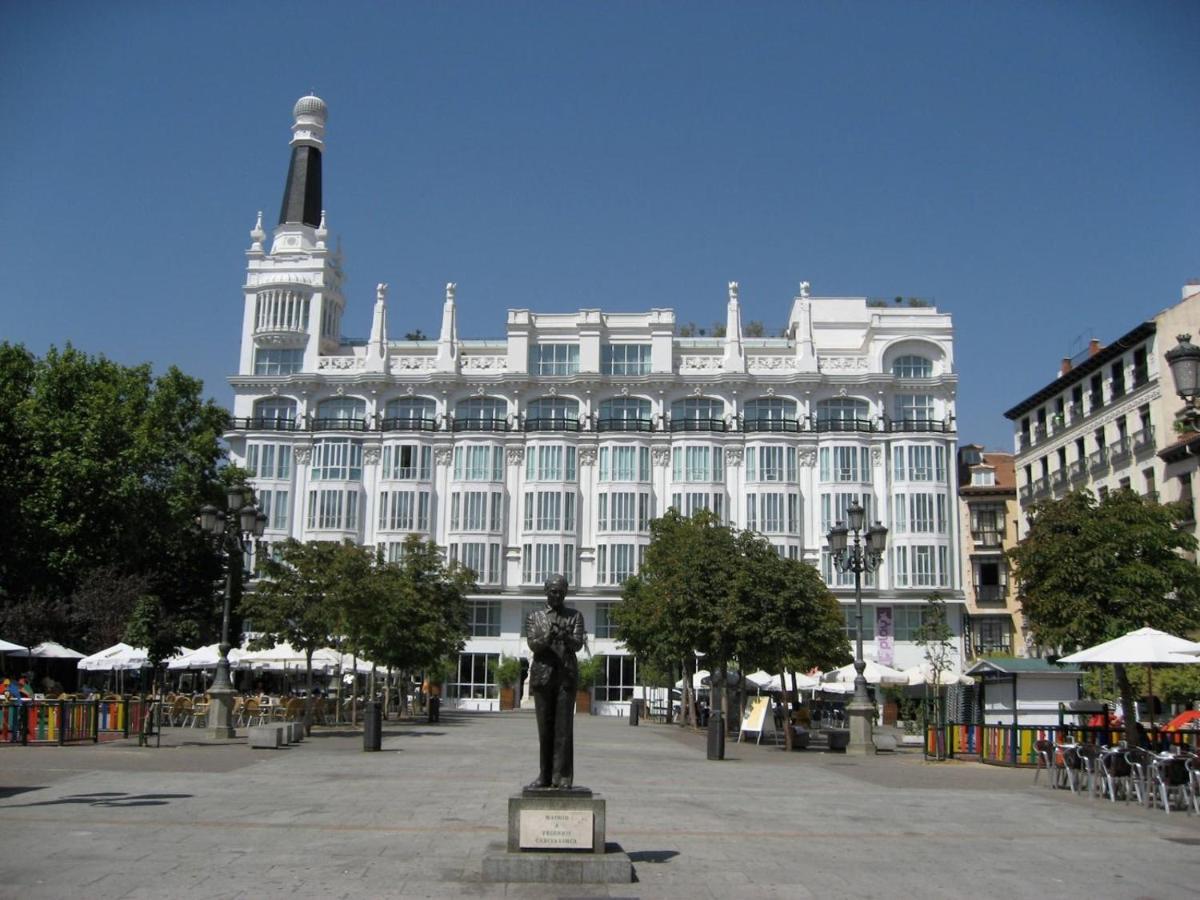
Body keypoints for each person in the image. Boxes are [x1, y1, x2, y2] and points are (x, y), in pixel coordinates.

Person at [525, 574, 586, 789]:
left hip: (565, 678)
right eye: (553, 591)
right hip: (543, 677)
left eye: (561, 591)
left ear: (566, 593)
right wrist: (549, 636)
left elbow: (578, 644)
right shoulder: (535, 616)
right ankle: (545, 775)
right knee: (545, 730)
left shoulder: (575, 616)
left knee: (564, 730)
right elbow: (534, 645)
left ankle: (563, 777)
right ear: (546, 591)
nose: (557, 595)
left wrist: (566, 636)